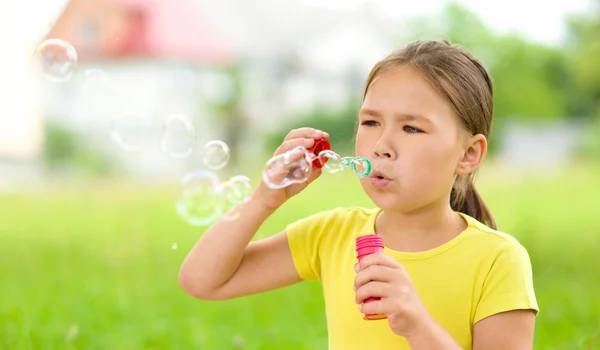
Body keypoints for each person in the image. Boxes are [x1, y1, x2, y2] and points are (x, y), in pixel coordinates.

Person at [178, 39, 539, 349]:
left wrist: (416, 323)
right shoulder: (333, 236)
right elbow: (202, 281)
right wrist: (265, 198)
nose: (381, 146)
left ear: (468, 154)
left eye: (412, 128)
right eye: (370, 122)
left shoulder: (498, 260)